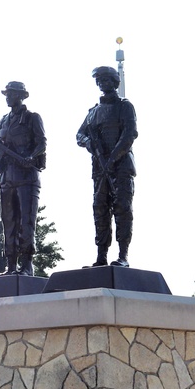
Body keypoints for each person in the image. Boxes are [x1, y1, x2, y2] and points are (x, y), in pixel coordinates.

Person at [76, 66, 138, 268]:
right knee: (100, 210)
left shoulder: (124, 107)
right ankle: (101, 256)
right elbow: (79, 134)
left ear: (115, 81)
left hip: (121, 167)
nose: (103, 83)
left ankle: (123, 256)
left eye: (107, 79)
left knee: (122, 208)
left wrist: (112, 159)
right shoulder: (93, 112)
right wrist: (90, 144)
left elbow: (130, 135)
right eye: (99, 80)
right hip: (99, 169)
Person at [0, 81, 46, 277]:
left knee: (26, 223)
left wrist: (30, 157)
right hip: (7, 178)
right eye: (6, 94)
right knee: (9, 222)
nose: (8, 97)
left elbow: (42, 143)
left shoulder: (31, 118)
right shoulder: (3, 121)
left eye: (11, 94)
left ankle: (26, 265)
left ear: (21, 96)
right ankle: (11, 265)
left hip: (27, 177)